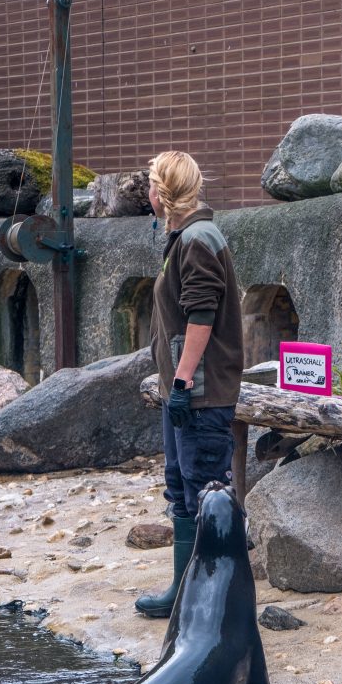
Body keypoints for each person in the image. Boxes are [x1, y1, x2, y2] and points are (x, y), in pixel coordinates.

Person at [135, 151, 244, 617]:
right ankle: (185, 591)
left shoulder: (198, 238)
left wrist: (180, 383)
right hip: (183, 388)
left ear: (163, 192)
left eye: (150, 185)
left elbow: (202, 314)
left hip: (199, 391)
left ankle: (213, 601)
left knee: (207, 491)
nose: (147, 194)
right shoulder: (183, 236)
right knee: (181, 487)